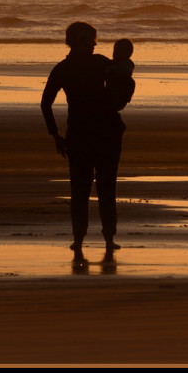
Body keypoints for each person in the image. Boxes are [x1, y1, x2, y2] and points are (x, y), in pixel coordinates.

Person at [40, 21, 125, 251]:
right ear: (78, 42)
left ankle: (79, 239)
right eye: (90, 40)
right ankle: (107, 239)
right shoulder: (101, 64)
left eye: (93, 40)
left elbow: (45, 103)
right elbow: (123, 81)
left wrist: (55, 135)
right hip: (105, 132)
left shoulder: (62, 68)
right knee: (106, 188)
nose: (93, 45)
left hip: (78, 134)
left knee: (80, 190)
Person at [105, 38, 136, 113]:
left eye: (118, 51)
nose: (114, 54)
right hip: (114, 95)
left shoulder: (126, 65)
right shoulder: (113, 63)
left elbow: (122, 71)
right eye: (114, 51)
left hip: (116, 96)